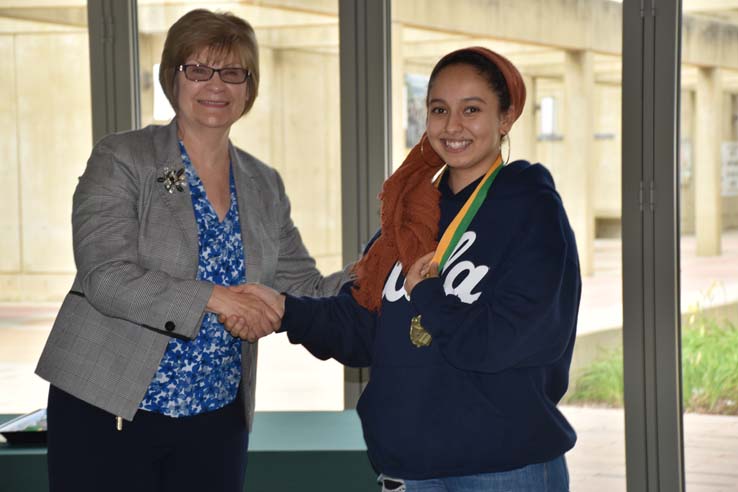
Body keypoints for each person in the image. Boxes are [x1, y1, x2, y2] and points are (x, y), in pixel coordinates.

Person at [226, 47, 581, 491]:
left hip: (502, 468)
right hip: (409, 470)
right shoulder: (409, 217)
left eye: (472, 109)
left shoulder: (530, 210)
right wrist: (285, 311)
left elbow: (505, 340)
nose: (453, 126)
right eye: (439, 109)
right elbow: (363, 327)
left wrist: (430, 296)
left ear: (506, 118)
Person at [35, 9, 347, 492]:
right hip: (110, 409)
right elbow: (106, 277)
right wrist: (217, 298)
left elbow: (306, 287)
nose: (215, 85)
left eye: (232, 72)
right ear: (171, 78)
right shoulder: (124, 158)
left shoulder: (263, 184)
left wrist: (380, 269)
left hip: (216, 419)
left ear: (250, 86)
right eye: (197, 69)